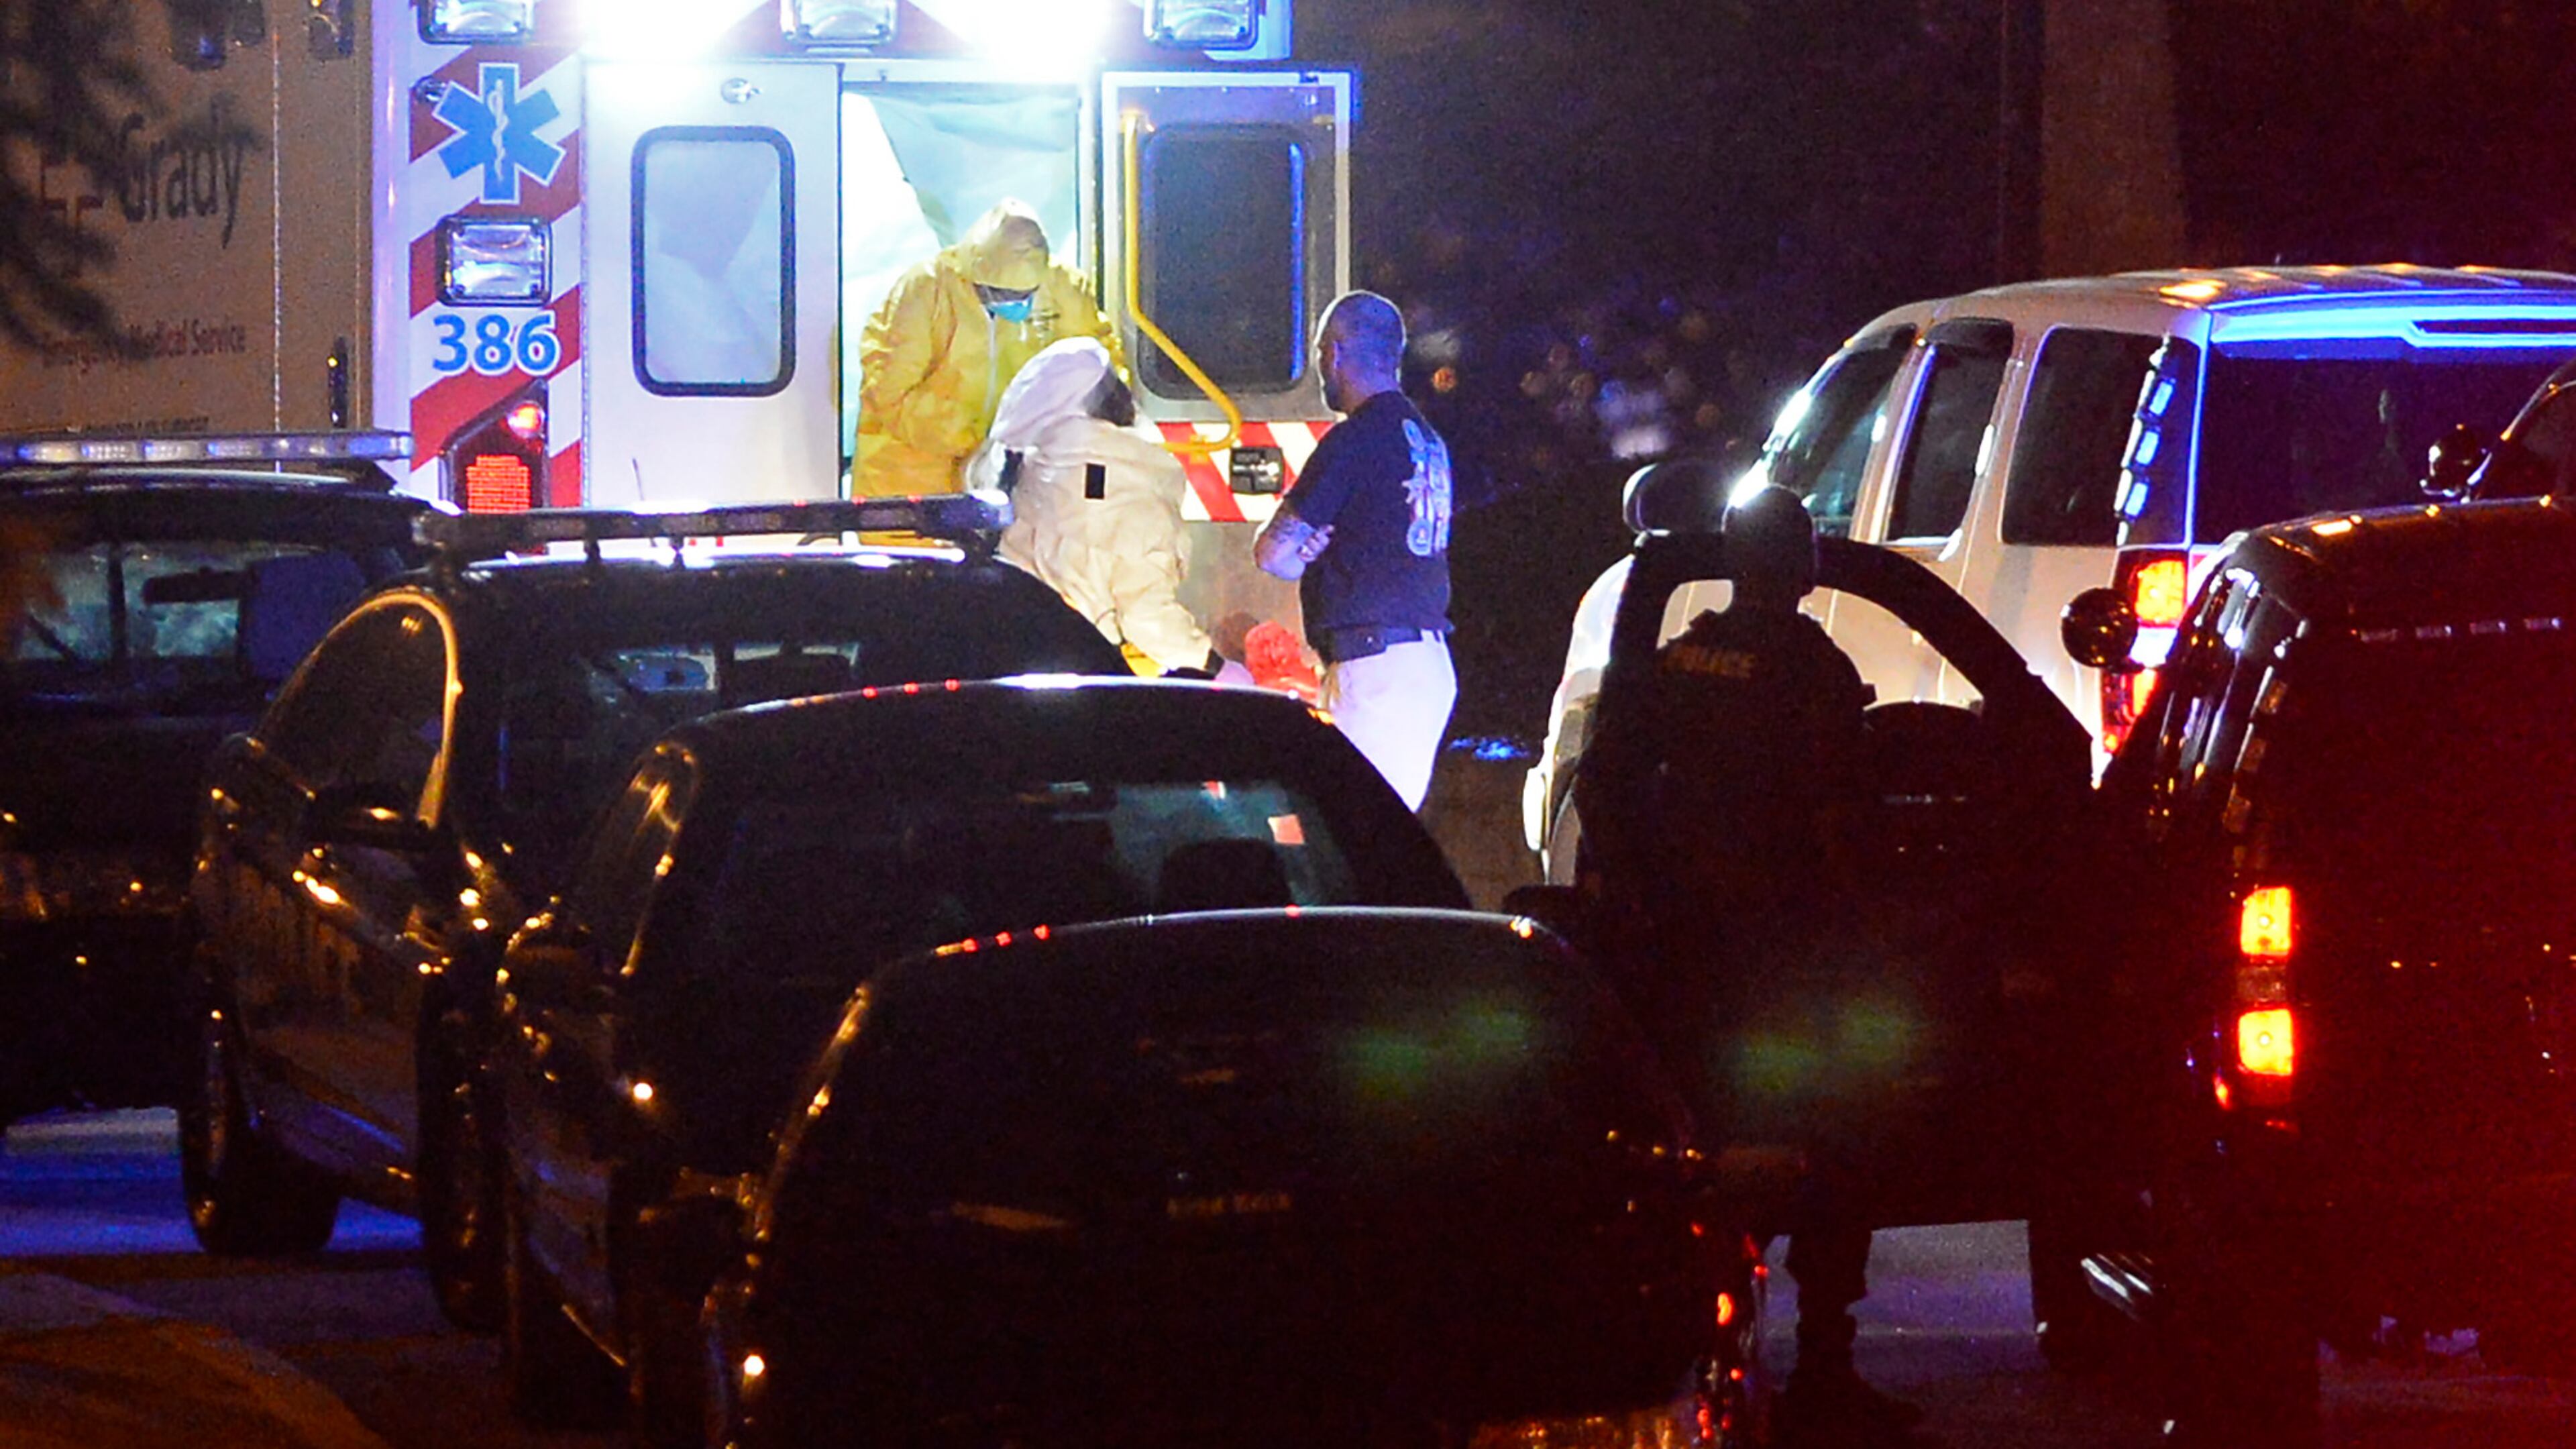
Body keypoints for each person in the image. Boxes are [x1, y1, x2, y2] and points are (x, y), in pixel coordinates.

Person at [1580, 485, 1918, 1447]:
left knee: (1706, 1166)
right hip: (1787, 963)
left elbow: (1603, 785)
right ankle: (1820, 1374)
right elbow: (1839, 822)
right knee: (1827, 1160)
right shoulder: (1813, 672)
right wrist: (1873, 934)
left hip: (1684, 968)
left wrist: (1636, 901)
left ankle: (1703, 1366)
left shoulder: (1675, 664)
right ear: (1803, 566)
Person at [1254, 291, 1454, 811]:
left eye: (1322, 352)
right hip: (1417, 663)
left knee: (1356, 840)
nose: (1322, 365)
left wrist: (1305, 550)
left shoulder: (1355, 441)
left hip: (1377, 673)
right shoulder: (1425, 438)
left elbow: (1273, 555)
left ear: (1336, 353)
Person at [965, 337, 1232, 678]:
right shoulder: (1126, 486)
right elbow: (1147, 618)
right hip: (1077, 661)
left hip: (1014, 651)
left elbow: (1091, 502)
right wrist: (1216, 667)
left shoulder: (1043, 472)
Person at [853, 200, 1124, 498]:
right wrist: (982, 438)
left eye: (1027, 294)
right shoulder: (925, 290)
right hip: (912, 479)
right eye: (1003, 293)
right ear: (976, 276)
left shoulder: (1065, 288)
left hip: (1016, 479)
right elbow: (890, 392)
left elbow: (1098, 375)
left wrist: (1032, 443)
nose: (1018, 302)